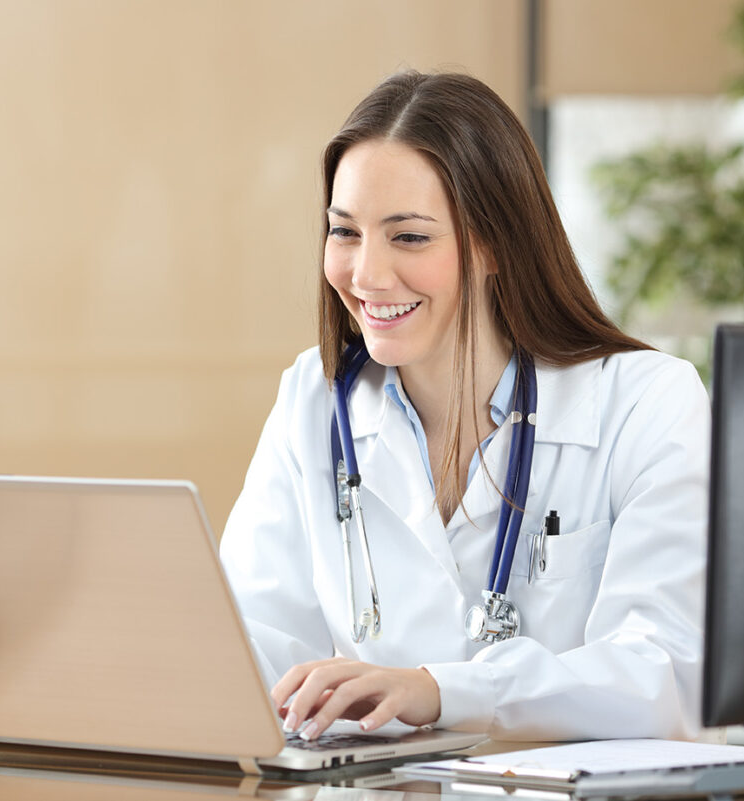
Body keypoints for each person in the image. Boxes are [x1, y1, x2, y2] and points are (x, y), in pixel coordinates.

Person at [218, 71, 709, 742]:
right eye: (344, 232)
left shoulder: (647, 402)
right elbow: (252, 645)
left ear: (495, 242)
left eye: (409, 237)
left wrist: (440, 690)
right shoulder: (314, 397)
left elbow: (665, 675)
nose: (365, 274)